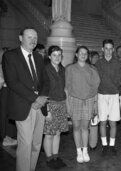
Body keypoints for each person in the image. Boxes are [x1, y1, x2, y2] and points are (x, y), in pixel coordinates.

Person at [2, 27, 48, 171]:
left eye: (35, 38)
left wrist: (42, 98)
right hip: (23, 105)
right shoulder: (10, 56)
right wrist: (35, 98)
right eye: (29, 37)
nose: (33, 41)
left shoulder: (38, 57)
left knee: (36, 144)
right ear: (21, 38)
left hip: (40, 106)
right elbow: (12, 82)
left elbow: (46, 81)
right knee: (26, 144)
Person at [66, 46, 100, 163]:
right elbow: (67, 87)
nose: (83, 55)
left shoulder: (92, 69)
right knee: (76, 127)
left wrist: (95, 103)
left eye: (85, 53)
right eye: (81, 53)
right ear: (76, 54)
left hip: (89, 100)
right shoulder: (70, 69)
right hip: (74, 99)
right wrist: (68, 104)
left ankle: (85, 150)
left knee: (85, 128)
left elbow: (95, 88)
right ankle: (78, 151)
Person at [42, 45, 69, 169]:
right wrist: (46, 110)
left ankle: (55, 157)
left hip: (61, 103)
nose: (57, 57)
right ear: (49, 56)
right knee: (49, 134)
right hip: (50, 104)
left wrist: (67, 106)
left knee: (57, 133)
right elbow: (42, 91)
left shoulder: (63, 70)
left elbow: (65, 89)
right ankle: (49, 158)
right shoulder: (45, 70)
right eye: (54, 55)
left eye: (59, 55)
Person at [95, 39, 121, 156]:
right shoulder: (98, 63)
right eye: (106, 48)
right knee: (102, 122)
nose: (108, 51)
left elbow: (118, 80)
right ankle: (104, 145)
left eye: (110, 48)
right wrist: (108, 84)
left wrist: (111, 86)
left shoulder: (118, 63)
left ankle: (111, 145)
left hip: (114, 95)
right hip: (101, 94)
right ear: (102, 49)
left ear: (113, 49)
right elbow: (98, 79)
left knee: (113, 123)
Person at [0, 47, 17, 147]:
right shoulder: (4, 66)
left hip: (7, 91)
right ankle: (6, 138)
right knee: (6, 114)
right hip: (6, 91)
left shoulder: (5, 65)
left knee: (7, 114)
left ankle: (7, 137)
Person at [87, 50, 100, 151]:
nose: (96, 59)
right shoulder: (85, 68)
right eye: (94, 57)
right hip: (85, 97)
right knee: (85, 122)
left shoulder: (96, 68)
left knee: (94, 121)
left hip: (95, 96)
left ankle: (93, 143)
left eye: (97, 57)